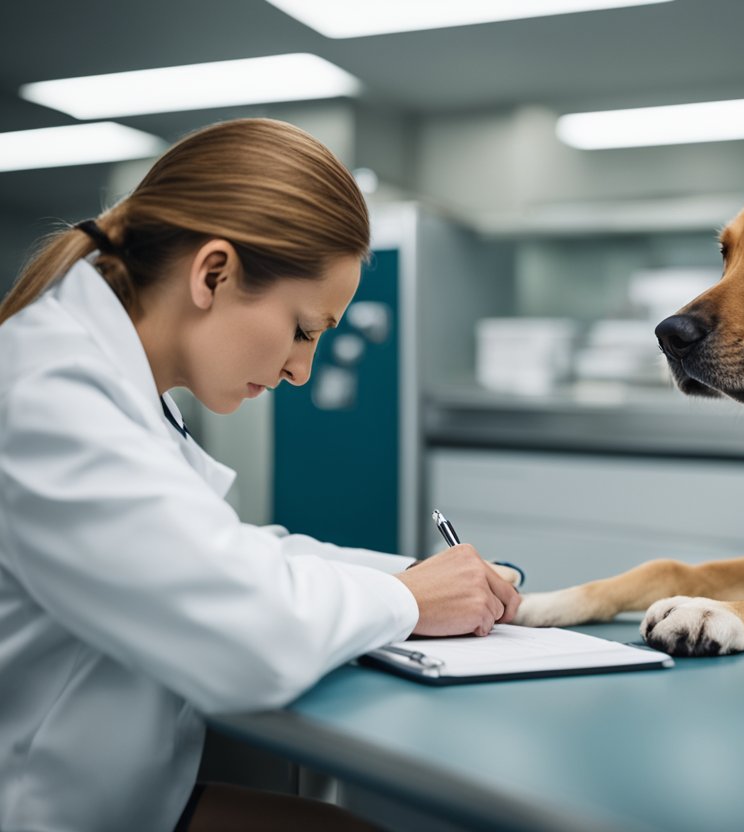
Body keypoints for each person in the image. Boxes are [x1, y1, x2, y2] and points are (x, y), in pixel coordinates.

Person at [0, 118, 521, 832]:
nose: (301, 370)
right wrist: (406, 599)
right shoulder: (45, 395)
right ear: (213, 273)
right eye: (304, 329)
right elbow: (246, 637)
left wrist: (423, 578)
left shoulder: (109, 384)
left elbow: (233, 555)